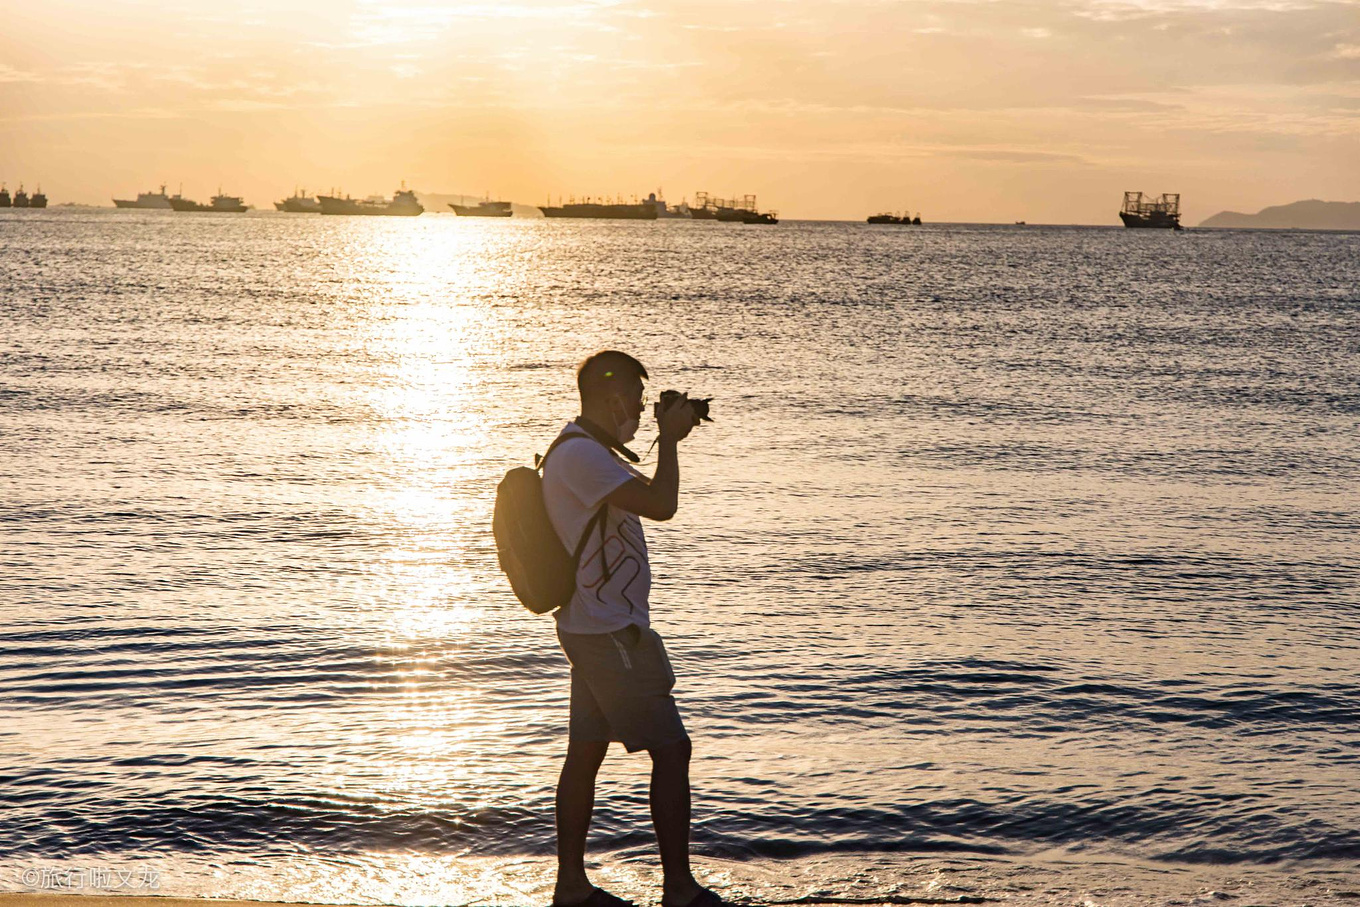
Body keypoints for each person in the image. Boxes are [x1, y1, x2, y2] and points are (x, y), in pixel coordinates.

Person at [541, 350, 723, 907]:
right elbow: (662, 504)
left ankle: (571, 887)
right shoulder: (581, 456)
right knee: (672, 750)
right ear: (613, 398)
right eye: (640, 403)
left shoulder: (592, 452)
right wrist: (668, 441)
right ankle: (679, 890)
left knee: (587, 751)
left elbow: (642, 495)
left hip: (595, 627)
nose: (641, 414)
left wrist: (670, 435)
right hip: (609, 633)